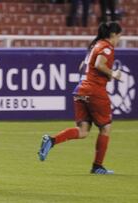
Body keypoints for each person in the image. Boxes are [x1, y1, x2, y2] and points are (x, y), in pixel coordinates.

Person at [38, 21, 122, 174]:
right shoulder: (107, 47)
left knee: (83, 131)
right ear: (113, 35)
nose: (119, 40)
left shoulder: (94, 46)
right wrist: (113, 73)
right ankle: (97, 166)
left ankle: (51, 140)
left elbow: (82, 67)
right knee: (105, 128)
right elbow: (99, 64)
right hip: (94, 91)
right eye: (119, 37)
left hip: (81, 90)